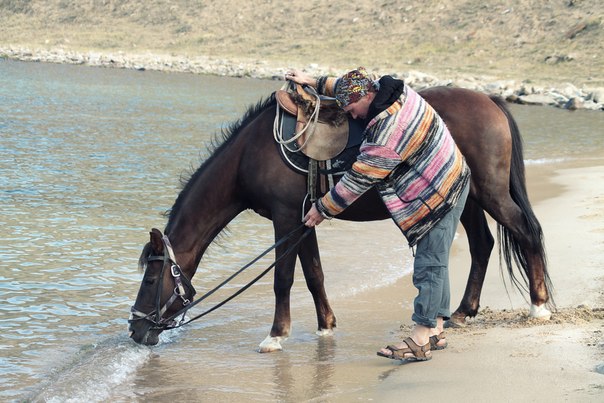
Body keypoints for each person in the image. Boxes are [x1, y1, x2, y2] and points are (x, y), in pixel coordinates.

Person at [285, 67, 470, 361]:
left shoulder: (388, 132)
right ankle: (436, 330)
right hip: (454, 171)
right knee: (437, 261)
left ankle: (421, 338)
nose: (352, 115)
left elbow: (358, 179)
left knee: (428, 264)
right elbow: (347, 86)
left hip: (439, 190)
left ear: (367, 96)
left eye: (352, 108)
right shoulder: (391, 89)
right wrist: (315, 82)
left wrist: (322, 209)